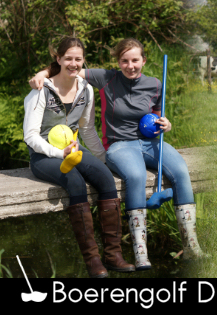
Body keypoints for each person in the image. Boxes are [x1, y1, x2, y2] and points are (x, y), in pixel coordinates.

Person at [30, 38, 204, 270]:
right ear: (118, 62)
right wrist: (42, 73)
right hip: (120, 144)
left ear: (143, 60)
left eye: (135, 60)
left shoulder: (155, 84)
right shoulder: (106, 78)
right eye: (125, 61)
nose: (130, 65)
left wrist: (166, 123)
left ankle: (192, 248)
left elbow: (157, 113)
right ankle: (140, 253)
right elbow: (71, 67)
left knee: (182, 171)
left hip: (150, 141)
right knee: (136, 176)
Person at [23, 37, 135, 277]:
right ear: (58, 59)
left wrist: (104, 159)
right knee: (74, 181)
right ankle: (93, 261)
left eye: (78, 59)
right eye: (68, 58)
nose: (73, 63)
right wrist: (58, 153)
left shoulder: (86, 89)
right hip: (43, 155)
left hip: (74, 148)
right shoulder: (40, 91)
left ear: (83, 60)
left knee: (105, 178)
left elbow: (86, 130)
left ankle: (114, 255)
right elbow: (30, 136)